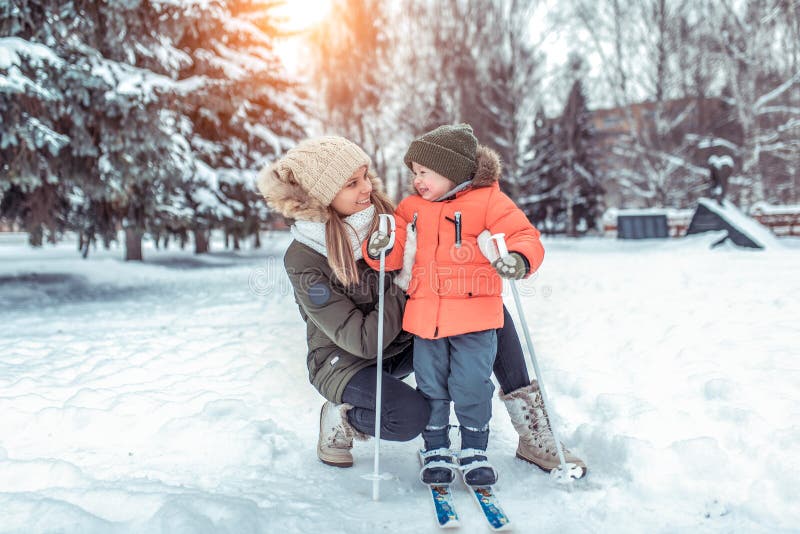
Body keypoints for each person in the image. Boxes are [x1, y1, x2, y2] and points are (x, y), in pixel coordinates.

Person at [256, 135, 586, 477]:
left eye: (366, 176)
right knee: (410, 417)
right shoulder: (304, 258)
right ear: (320, 196)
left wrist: (477, 245)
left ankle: (531, 430)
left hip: (402, 337)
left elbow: (448, 232)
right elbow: (364, 341)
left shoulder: (385, 217)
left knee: (482, 311)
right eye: (352, 183)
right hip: (347, 361)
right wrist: (407, 278)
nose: (366, 188)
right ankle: (342, 416)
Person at [363, 124, 543, 486]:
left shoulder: (489, 201)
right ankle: (436, 448)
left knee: (471, 384)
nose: (418, 181)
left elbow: (524, 235)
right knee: (431, 385)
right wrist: (378, 247)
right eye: (415, 174)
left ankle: (474, 447)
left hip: (476, 320)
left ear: (452, 170)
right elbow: (394, 252)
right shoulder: (410, 208)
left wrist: (519, 258)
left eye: (425, 173)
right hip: (426, 321)